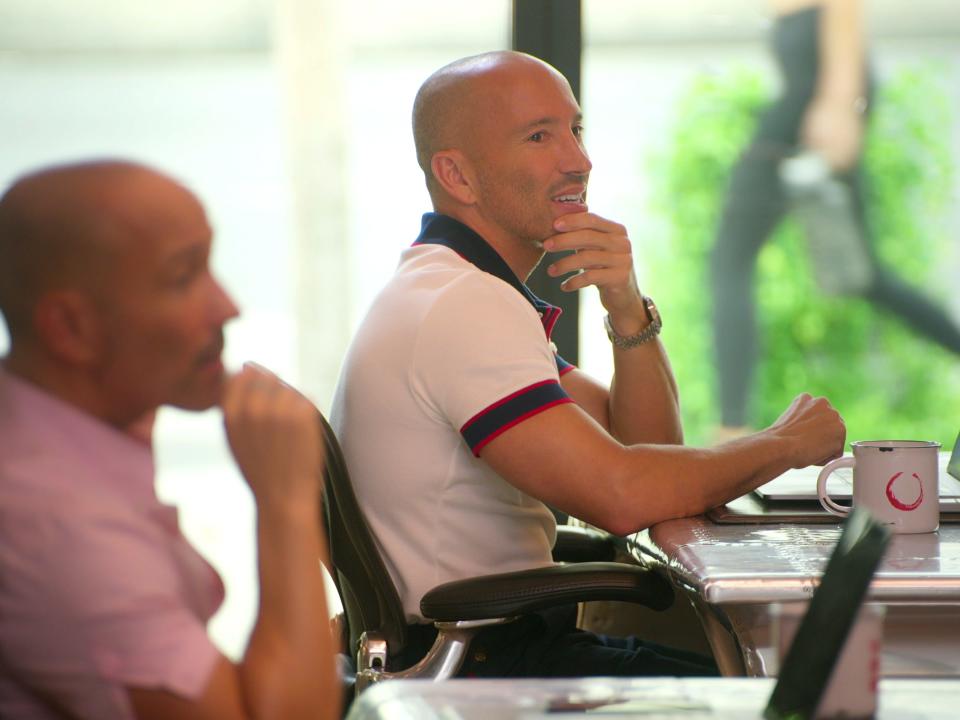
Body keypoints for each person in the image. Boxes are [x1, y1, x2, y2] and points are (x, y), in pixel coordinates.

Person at [330, 50, 846, 678]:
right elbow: (625, 495)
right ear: (458, 177)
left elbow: (649, 449)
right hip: (487, 669)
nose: (579, 160)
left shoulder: (457, 288)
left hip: (490, 653)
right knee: (800, 692)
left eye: (575, 129)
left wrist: (626, 307)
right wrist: (786, 444)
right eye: (539, 136)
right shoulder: (461, 305)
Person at [0, 161, 340, 720]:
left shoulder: (70, 430)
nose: (228, 308)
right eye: (183, 277)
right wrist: (285, 503)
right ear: (71, 329)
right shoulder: (62, 529)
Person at [710, 0, 960, 436]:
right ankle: (732, 424)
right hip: (797, 130)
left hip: (804, 132)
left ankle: (731, 428)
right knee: (862, 278)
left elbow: (847, 59)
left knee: (731, 265)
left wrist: (842, 108)